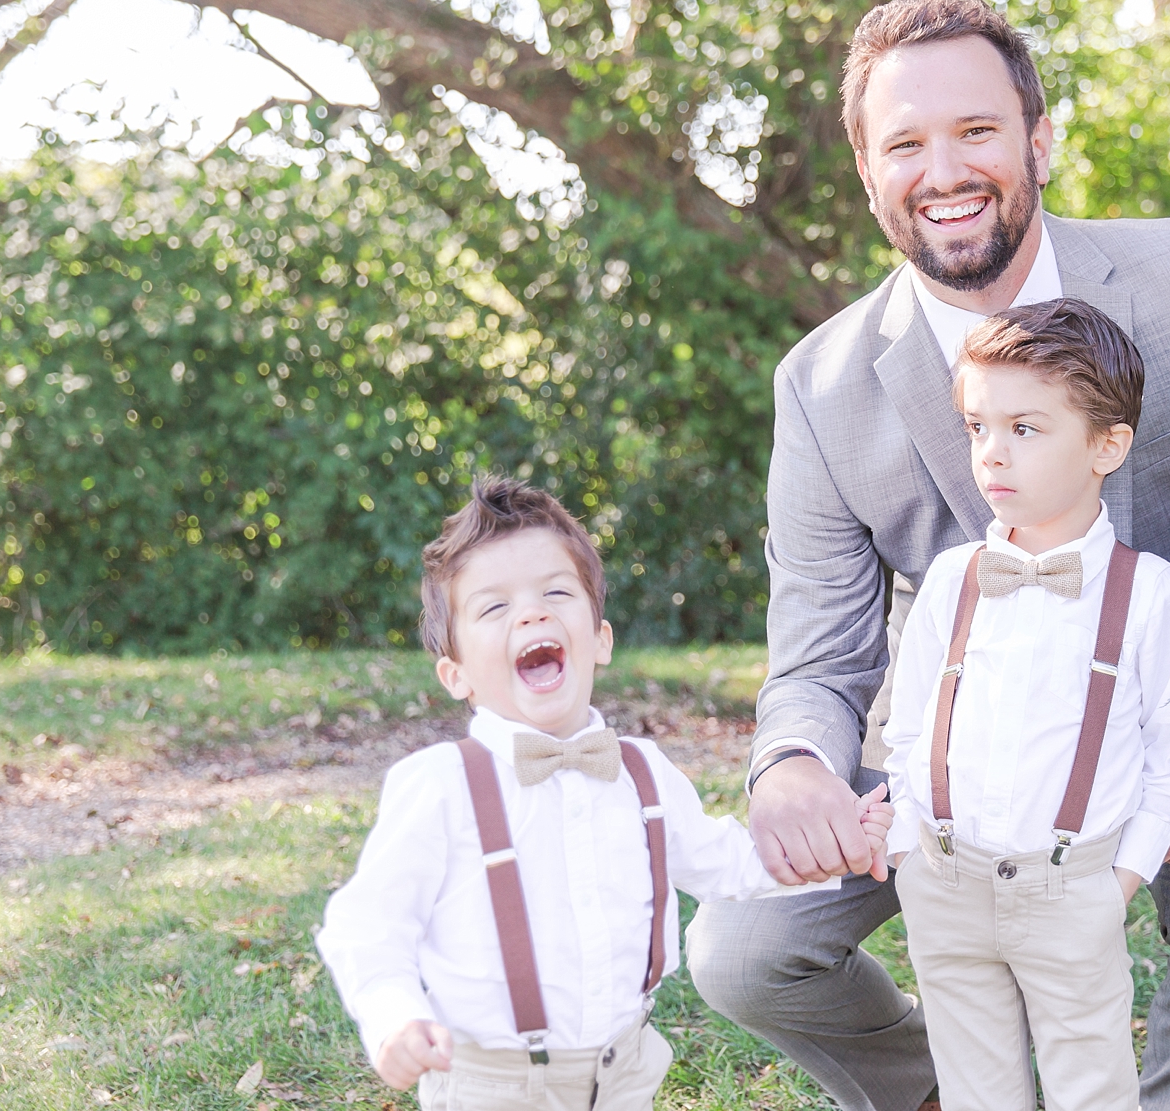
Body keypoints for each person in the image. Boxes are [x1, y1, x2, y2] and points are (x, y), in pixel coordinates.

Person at [684, 0, 1170, 1111]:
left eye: (976, 132)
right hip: (947, 766)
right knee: (740, 952)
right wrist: (794, 763)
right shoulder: (819, 386)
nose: (942, 169)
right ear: (865, 170)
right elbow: (817, 647)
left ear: (1037, 138)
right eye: (904, 143)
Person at [317, 476, 892, 1111]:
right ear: (456, 675)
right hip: (492, 1083)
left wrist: (829, 847)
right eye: (493, 607)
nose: (532, 613)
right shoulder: (440, 786)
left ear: (600, 639)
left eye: (555, 593)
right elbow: (367, 922)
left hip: (624, 1070)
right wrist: (392, 1016)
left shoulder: (642, 773)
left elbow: (724, 861)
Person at [881, 299, 1170, 1111]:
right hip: (943, 881)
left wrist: (1119, 885)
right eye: (978, 426)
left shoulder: (1151, 595)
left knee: (1091, 1085)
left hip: (1072, 892)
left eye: (1026, 428)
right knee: (974, 1090)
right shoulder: (952, 581)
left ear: (1108, 443)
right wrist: (904, 852)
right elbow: (910, 727)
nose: (993, 453)